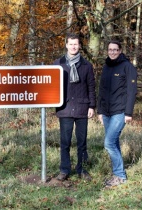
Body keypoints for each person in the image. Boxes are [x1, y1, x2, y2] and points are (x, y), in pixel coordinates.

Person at [53, 33, 96, 181]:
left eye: (76, 44)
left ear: (79, 46)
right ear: (66, 45)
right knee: (65, 142)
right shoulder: (58, 64)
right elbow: (52, 87)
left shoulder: (87, 65)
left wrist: (92, 106)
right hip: (64, 108)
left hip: (82, 108)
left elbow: (91, 87)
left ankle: (82, 169)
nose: (73, 47)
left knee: (82, 142)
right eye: (71, 44)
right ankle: (64, 170)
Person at [97, 40, 137, 187]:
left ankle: (120, 175)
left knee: (108, 143)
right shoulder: (106, 66)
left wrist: (128, 112)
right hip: (106, 112)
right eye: (110, 49)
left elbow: (132, 91)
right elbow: (101, 90)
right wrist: (100, 111)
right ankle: (117, 174)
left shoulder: (127, 67)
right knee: (113, 142)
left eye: (115, 49)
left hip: (120, 112)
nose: (112, 52)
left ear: (120, 51)